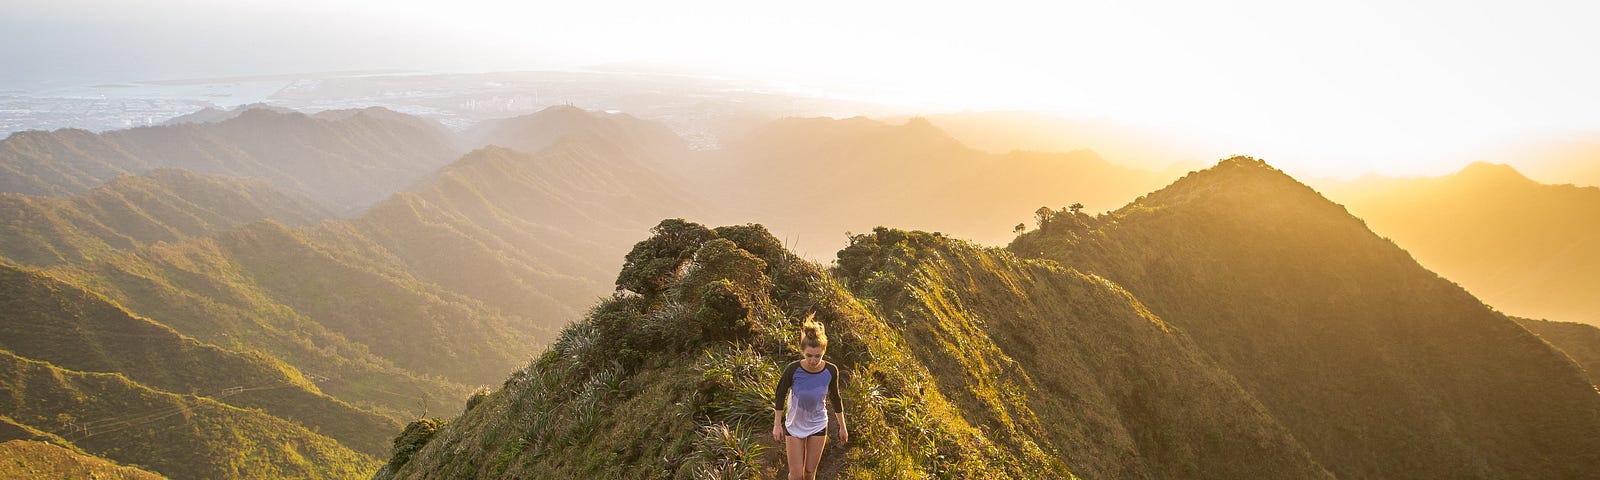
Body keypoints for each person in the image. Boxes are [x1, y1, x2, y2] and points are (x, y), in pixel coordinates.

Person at [771, 313, 847, 480]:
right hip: (794, 424)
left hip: (818, 424)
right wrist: (777, 425)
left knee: (809, 473)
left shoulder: (831, 371)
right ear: (802, 352)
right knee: (797, 475)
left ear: (823, 352)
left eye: (817, 356)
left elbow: (835, 398)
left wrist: (842, 426)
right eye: (809, 356)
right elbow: (780, 394)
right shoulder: (793, 369)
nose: (813, 360)